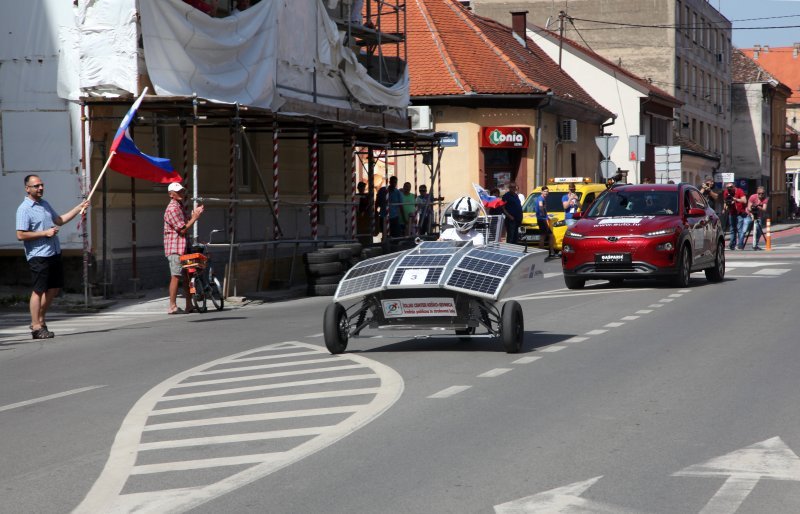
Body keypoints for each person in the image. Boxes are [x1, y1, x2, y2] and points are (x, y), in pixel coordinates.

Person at [15, 174, 89, 339]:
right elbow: (20, 235)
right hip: (38, 255)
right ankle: (36, 326)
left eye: (41, 185)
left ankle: (40, 320)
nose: (40, 188)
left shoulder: (44, 204)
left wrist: (79, 208)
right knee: (39, 290)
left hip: (53, 252)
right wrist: (45, 233)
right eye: (36, 186)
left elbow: (59, 220)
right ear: (27, 188)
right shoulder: (24, 208)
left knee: (54, 288)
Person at [164, 182, 204, 314]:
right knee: (176, 276)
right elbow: (182, 229)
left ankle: (189, 305)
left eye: (181, 190)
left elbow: (187, 222)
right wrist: (195, 217)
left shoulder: (179, 206)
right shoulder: (172, 209)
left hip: (183, 246)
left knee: (187, 275)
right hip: (175, 248)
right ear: (171, 194)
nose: (181, 193)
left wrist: (194, 214)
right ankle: (172, 306)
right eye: (178, 191)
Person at [740, 186, 769, 250]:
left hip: (758, 216)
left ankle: (755, 245)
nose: (761, 195)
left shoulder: (765, 199)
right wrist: (752, 215)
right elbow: (749, 207)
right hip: (749, 215)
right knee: (744, 230)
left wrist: (759, 207)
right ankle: (740, 245)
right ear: (757, 193)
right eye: (759, 193)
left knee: (759, 231)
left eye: (762, 193)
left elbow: (764, 209)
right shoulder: (753, 197)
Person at [720, 182, 746, 250]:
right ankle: (732, 245)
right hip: (732, 212)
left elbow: (744, 201)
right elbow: (725, 201)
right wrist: (724, 208)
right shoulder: (726, 192)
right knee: (732, 229)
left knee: (739, 229)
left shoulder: (739, 191)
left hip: (740, 213)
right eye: (728, 188)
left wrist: (735, 199)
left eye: (731, 187)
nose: (729, 189)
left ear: (734, 187)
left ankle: (740, 245)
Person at [534, 186, 556, 258]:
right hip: (542, 220)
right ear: (542, 192)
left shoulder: (542, 198)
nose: (546, 193)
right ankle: (542, 253)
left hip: (543, 219)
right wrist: (543, 215)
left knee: (547, 235)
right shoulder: (540, 198)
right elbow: (540, 206)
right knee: (545, 236)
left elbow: (542, 208)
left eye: (547, 191)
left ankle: (550, 252)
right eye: (545, 191)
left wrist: (547, 215)